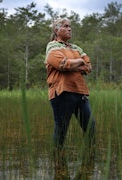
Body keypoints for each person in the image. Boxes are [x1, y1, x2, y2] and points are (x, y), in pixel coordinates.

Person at [44, 18, 96, 170]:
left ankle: (89, 162)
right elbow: (61, 64)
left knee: (90, 127)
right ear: (56, 30)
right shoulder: (52, 46)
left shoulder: (76, 47)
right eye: (65, 26)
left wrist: (77, 63)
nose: (69, 29)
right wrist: (79, 62)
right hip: (62, 92)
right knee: (61, 128)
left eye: (70, 27)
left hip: (80, 92)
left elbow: (88, 67)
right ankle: (58, 164)